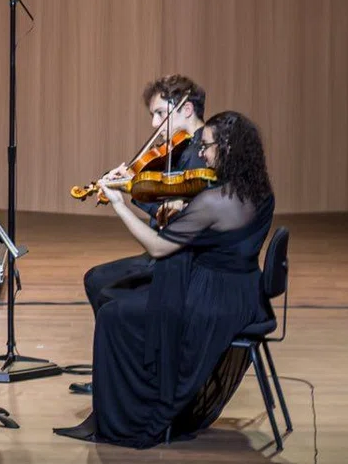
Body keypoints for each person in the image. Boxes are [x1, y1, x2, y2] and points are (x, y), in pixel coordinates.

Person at [55, 111, 274, 447]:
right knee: (124, 301)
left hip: (212, 301)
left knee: (114, 315)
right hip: (242, 293)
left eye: (208, 146)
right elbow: (219, 235)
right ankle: (128, 397)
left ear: (229, 148)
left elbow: (158, 248)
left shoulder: (216, 201)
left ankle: (128, 418)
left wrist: (119, 204)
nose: (201, 153)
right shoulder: (257, 190)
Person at [72, 75, 210, 396]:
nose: (154, 122)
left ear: (186, 109)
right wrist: (132, 188)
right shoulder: (183, 150)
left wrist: (132, 190)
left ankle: (130, 371)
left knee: (102, 286)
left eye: (160, 113)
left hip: (183, 262)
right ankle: (117, 369)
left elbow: (171, 220)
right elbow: (163, 212)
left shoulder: (199, 154)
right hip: (170, 249)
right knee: (96, 279)